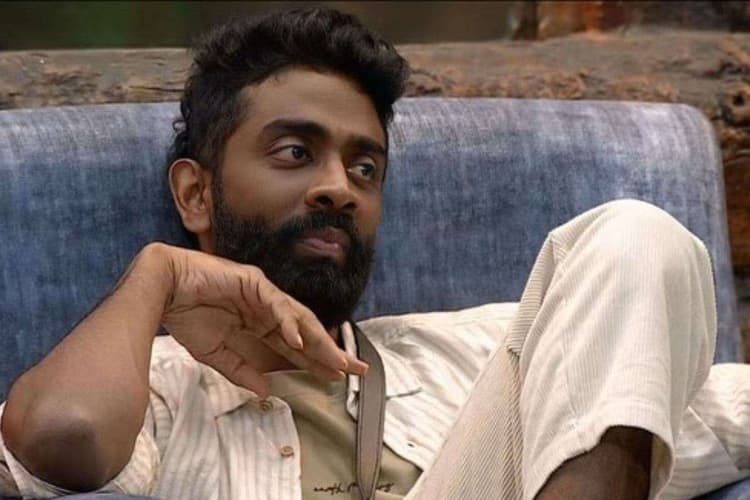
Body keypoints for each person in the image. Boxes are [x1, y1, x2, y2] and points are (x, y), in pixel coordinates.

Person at [1, 7, 749, 500]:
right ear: (195, 194)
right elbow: (62, 437)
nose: (340, 189)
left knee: (633, 232)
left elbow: (688, 397)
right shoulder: (153, 392)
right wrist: (156, 274)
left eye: (365, 168)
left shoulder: (493, 355)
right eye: (296, 153)